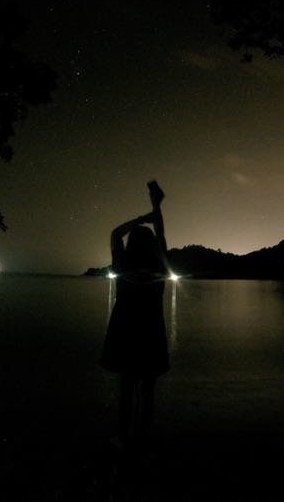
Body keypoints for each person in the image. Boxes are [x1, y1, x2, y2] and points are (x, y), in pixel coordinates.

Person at [100, 180, 170, 450]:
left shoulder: (123, 265)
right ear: (152, 246)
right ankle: (141, 439)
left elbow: (115, 233)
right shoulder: (159, 267)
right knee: (147, 391)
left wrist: (145, 216)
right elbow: (162, 237)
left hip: (126, 332)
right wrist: (156, 210)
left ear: (131, 245)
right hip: (152, 333)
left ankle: (122, 438)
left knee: (126, 389)